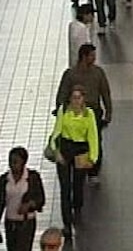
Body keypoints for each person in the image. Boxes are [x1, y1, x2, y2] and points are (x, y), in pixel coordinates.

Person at [55, 44, 112, 185]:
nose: (94, 58)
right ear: (83, 57)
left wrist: (108, 111)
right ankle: (78, 168)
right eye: (91, 55)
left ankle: (93, 171)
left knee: (95, 141)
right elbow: (62, 94)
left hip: (93, 112)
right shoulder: (70, 74)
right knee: (78, 143)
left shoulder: (98, 73)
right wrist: (60, 111)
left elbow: (105, 93)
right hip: (74, 113)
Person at [49, 85, 98, 240]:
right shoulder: (64, 111)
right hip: (65, 148)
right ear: (69, 98)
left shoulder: (88, 114)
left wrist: (93, 157)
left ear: (84, 99)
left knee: (78, 184)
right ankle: (67, 224)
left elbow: (93, 136)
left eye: (79, 97)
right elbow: (57, 131)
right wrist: (55, 150)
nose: (76, 101)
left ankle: (77, 206)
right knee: (65, 187)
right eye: (74, 97)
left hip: (81, 150)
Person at [0, 147, 46, 251]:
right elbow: (1, 202)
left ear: (23, 162)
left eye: (16, 162)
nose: (12, 165)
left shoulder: (32, 178)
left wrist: (30, 204)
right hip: (10, 222)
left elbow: (41, 199)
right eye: (10, 162)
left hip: (26, 223)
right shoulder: (5, 179)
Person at [67, 4, 93, 68]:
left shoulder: (72, 25)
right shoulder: (82, 29)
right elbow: (83, 47)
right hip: (81, 64)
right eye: (90, 14)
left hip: (74, 62)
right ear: (85, 15)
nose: (92, 17)